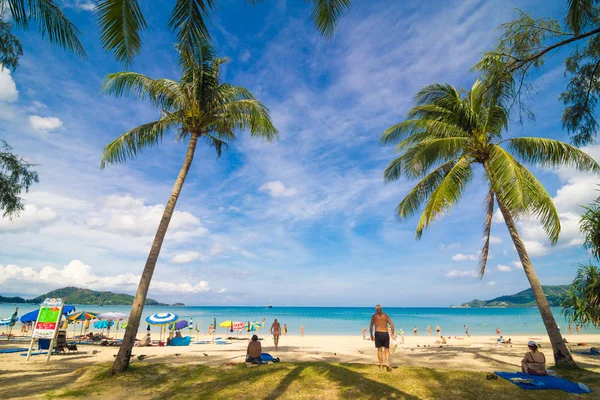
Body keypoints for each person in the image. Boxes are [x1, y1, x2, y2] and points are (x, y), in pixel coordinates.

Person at [369, 304, 395, 372]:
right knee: (387, 349)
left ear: (376, 309)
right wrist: (392, 333)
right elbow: (391, 324)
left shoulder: (374, 316)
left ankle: (381, 366)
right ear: (381, 309)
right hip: (385, 333)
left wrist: (371, 335)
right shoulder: (385, 315)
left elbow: (371, 326)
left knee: (379, 350)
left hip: (378, 333)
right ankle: (386, 363)